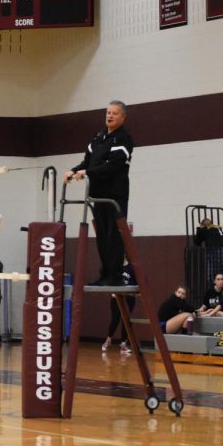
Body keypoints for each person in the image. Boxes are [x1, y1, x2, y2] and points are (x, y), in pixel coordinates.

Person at [63, 100, 133, 286]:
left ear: (123, 117)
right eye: (108, 113)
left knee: (114, 235)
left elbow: (112, 166)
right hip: (97, 195)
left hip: (114, 197)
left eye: (114, 113)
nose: (110, 116)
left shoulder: (123, 138)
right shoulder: (98, 136)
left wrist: (88, 173)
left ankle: (115, 276)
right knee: (102, 236)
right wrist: (73, 170)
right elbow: (88, 162)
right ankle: (105, 274)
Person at [102, 260, 134, 355]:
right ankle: (108, 339)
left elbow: (136, 282)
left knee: (126, 321)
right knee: (115, 319)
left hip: (128, 298)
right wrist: (112, 292)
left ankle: (123, 344)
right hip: (116, 298)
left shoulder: (132, 268)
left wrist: (134, 292)